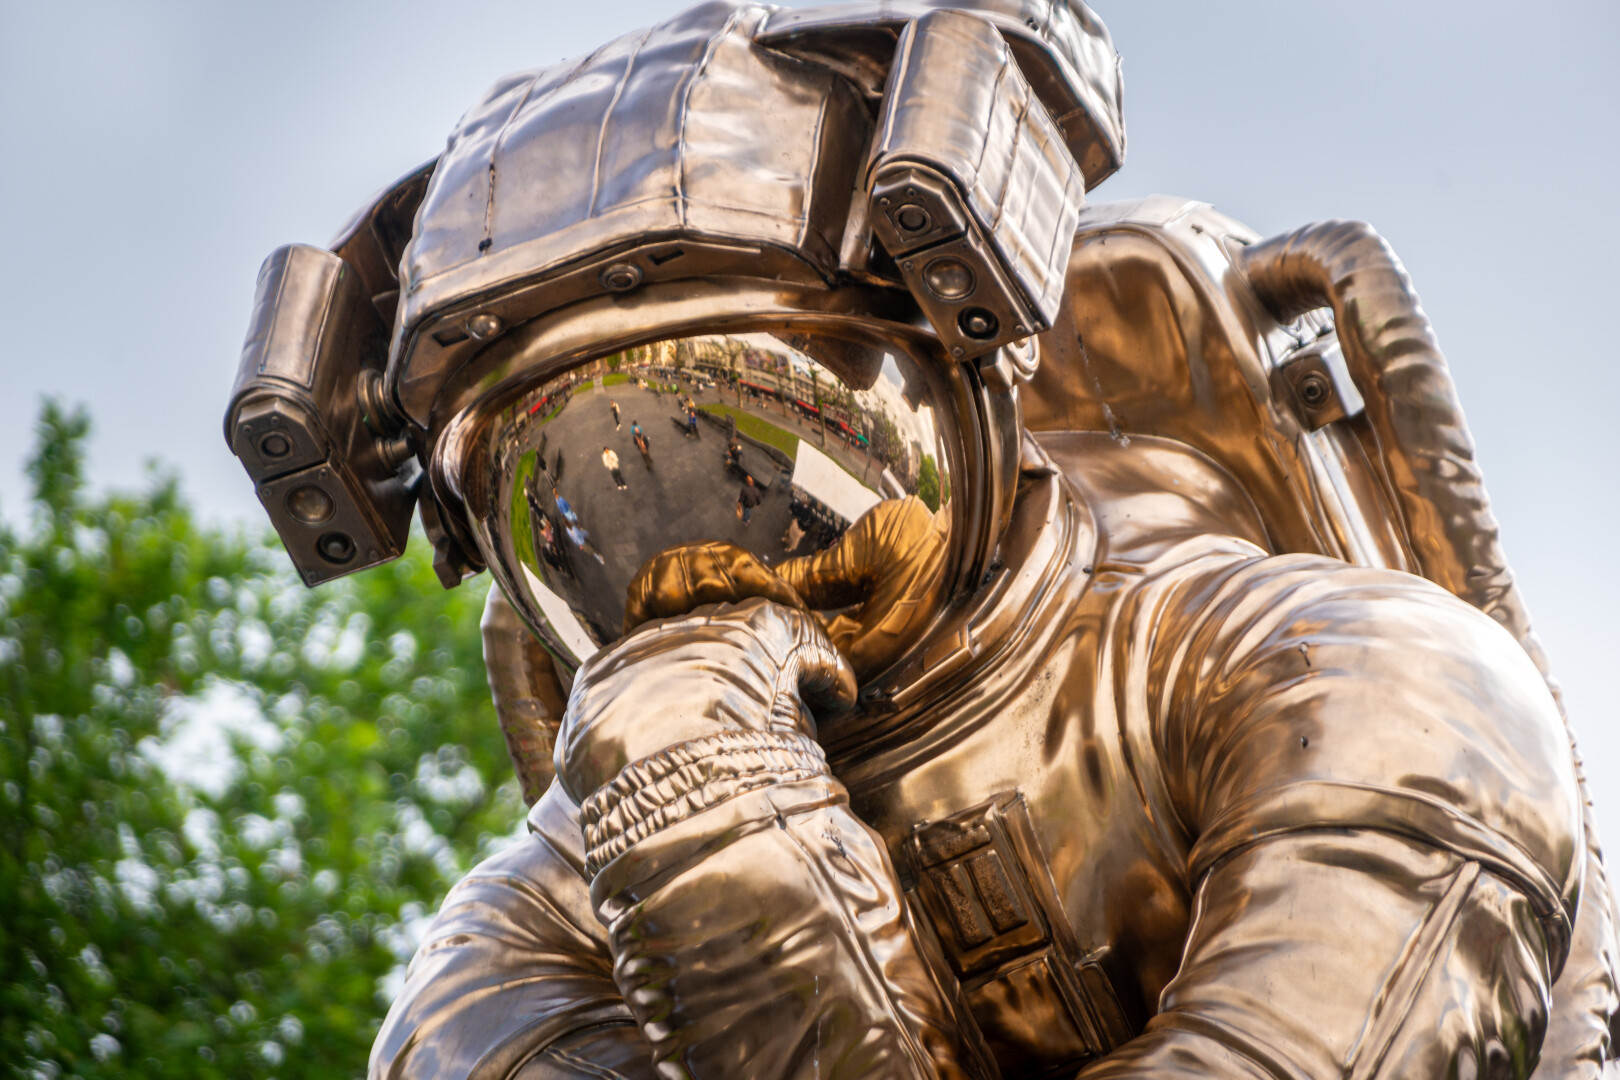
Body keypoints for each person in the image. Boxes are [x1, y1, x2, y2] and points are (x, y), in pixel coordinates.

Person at [229, 3, 1618, 1077]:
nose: (704, 570)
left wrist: (715, 828)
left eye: (775, 467)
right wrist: (696, 805)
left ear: (974, 383)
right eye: (574, 530)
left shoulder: (1378, 691)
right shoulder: (505, 946)